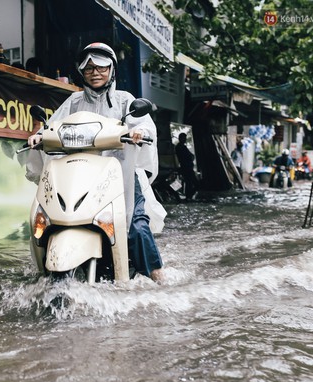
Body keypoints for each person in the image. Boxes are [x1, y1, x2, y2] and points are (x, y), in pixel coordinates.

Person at [26, 42, 165, 283]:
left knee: (136, 229)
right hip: (81, 175)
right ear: (82, 72)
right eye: (89, 68)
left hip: (120, 174)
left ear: (112, 70)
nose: (95, 72)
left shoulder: (124, 100)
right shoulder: (74, 101)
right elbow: (53, 124)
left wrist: (138, 132)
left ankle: (158, 276)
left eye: (101, 67)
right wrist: (40, 135)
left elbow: (143, 123)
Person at [175, 133, 198, 200]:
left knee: (190, 183)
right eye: (184, 138)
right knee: (192, 183)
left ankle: (189, 196)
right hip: (186, 168)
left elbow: (191, 156)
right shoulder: (180, 147)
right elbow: (189, 156)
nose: (185, 140)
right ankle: (189, 196)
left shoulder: (181, 147)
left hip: (187, 167)